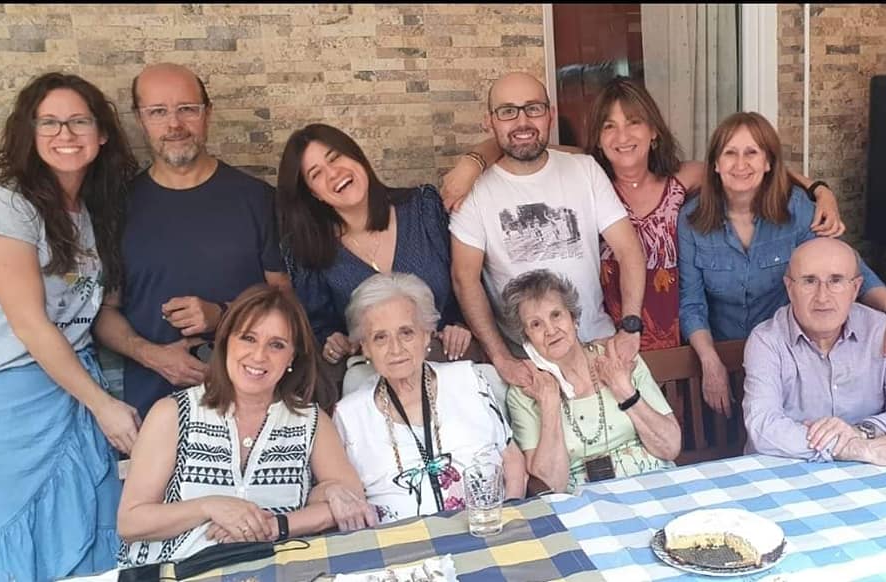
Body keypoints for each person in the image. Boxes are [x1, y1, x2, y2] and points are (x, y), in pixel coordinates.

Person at [678, 112, 886, 418]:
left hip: (786, 360)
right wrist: (709, 359)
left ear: (768, 162)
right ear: (715, 164)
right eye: (730, 153)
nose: (740, 164)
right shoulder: (691, 220)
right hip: (719, 356)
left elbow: (847, 266)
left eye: (752, 152)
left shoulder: (797, 209)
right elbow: (691, 302)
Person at [0, 72, 140, 580]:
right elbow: (31, 325)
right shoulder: (9, 204)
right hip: (16, 395)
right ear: (29, 135)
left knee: (88, 526)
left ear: (101, 135)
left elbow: (95, 310)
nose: (66, 133)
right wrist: (105, 407)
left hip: (77, 388)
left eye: (79, 120)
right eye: (49, 122)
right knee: (15, 528)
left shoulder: (95, 211)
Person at [118, 284, 375, 565]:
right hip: (173, 571)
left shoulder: (311, 421)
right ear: (226, 340)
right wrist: (210, 507)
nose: (259, 355)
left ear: (292, 356)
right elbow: (131, 523)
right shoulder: (174, 413)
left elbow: (353, 503)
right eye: (248, 338)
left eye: (276, 345)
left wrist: (276, 526)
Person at [584, 77, 846, 351]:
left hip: (677, 336)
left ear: (653, 131)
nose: (622, 136)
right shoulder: (589, 186)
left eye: (633, 122)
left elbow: (748, 169)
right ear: (598, 139)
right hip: (614, 335)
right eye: (609, 126)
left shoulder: (685, 178)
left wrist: (819, 190)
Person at [94, 63, 289, 420]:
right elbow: (104, 311)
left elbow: (287, 298)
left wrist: (225, 315)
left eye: (187, 109)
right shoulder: (115, 209)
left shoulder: (257, 199)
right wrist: (152, 355)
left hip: (255, 407)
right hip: (154, 410)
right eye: (158, 112)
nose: (174, 125)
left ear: (207, 114)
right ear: (139, 118)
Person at [450, 72, 647, 390]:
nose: (522, 121)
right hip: (530, 365)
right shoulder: (475, 192)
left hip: (598, 348)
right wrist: (502, 359)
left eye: (534, 108)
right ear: (490, 122)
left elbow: (629, 250)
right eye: (507, 111)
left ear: (550, 114)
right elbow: (464, 279)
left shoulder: (584, 169)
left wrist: (630, 327)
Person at [276, 124, 474, 397]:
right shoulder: (310, 251)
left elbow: (467, 278)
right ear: (313, 193)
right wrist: (333, 341)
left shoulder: (423, 209)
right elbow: (321, 327)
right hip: (376, 385)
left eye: (335, 158)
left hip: (449, 364)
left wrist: (462, 325)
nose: (334, 174)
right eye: (316, 174)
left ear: (355, 155)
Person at [333, 272, 526, 524]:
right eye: (380, 337)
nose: (396, 349)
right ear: (365, 347)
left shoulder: (468, 380)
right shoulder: (349, 415)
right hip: (400, 550)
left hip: (486, 530)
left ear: (426, 335)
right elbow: (348, 500)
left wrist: (507, 520)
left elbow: (513, 462)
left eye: (406, 333)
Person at [743, 238, 886, 465]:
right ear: (790, 287)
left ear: (855, 288)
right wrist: (851, 448)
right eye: (809, 281)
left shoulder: (880, 329)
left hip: (868, 472)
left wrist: (861, 432)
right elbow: (763, 429)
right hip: (786, 474)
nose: (822, 297)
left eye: (836, 281)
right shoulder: (766, 340)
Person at [502, 270, 681, 493]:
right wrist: (549, 404)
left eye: (556, 315)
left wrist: (623, 389)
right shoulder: (525, 391)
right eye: (536, 325)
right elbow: (551, 486)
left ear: (574, 318)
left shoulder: (619, 357)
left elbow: (671, 447)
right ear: (527, 339)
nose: (550, 330)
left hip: (655, 482)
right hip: (582, 502)